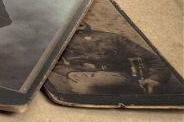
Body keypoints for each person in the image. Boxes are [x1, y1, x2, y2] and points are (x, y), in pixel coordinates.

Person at [52, 21, 183, 95]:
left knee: (86, 88)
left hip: (115, 76)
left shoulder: (111, 38)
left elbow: (156, 60)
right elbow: (51, 63)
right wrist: (70, 72)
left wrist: (155, 79)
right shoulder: (55, 41)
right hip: (79, 76)